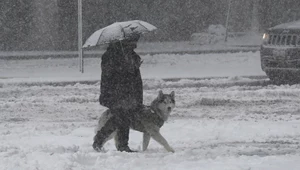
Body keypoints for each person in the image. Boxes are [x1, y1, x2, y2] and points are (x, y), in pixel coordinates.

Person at [93, 34, 143, 152]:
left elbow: (132, 72)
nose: (135, 43)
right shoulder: (111, 55)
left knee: (122, 118)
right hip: (116, 92)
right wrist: (125, 67)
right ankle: (107, 142)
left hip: (127, 92)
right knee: (121, 118)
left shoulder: (129, 53)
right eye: (133, 41)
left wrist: (134, 63)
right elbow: (110, 74)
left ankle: (116, 144)